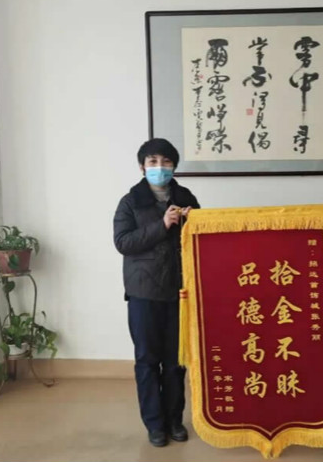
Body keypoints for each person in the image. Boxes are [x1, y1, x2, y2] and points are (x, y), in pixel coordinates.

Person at [113, 138, 200, 447]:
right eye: (153, 162)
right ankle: (154, 424)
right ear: (142, 167)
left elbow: (201, 240)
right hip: (144, 293)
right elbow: (123, 242)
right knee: (147, 361)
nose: (159, 167)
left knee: (176, 361)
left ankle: (174, 420)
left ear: (174, 166)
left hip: (180, 292)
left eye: (166, 162)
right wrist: (162, 224)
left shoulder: (186, 197)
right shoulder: (130, 202)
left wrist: (193, 222)